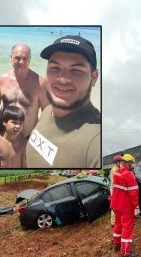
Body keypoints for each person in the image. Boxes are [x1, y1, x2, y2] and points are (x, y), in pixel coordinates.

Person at [26, 35, 100, 168]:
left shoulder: (95, 140)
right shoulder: (48, 111)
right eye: (55, 68)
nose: (63, 79)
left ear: (94, 77)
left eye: (76, 70)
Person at [0, 43, 48, 138]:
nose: (21, 62)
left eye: (25, 58)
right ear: (11, 57)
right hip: (5, 136)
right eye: (17, 58)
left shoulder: (40, 83)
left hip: (27, 138)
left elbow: (47, 113)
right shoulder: (2, 81)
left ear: (30, 59)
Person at [110, 154, 140, 257]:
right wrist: (136, 207)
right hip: (126, 206)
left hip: (116, 205)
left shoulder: (117, 172)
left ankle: (116, 244)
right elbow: (134, 193)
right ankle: (125, 252)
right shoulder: (129, 175)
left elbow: (116, 189)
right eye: (131, 163)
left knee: (118, 225)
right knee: (127, 228)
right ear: (129, 162)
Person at [109, 155, 123, 226]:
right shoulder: (114, 170)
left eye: (121, 161)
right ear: (116, 162)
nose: (120, 162)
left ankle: (118, 220)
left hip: (117, 189)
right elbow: (115, 182)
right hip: (114, 190)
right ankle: (113, 222)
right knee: (114, 206)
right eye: (119, 161)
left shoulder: (119, 168)